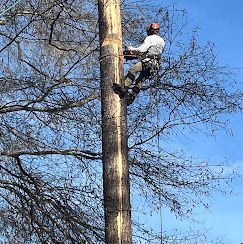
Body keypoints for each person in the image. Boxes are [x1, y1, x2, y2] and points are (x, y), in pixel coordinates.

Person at [113, 22, 165, 105]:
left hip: (148, 62)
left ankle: (124, 88)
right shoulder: (162, 41)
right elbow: (150, 52)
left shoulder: (150, 38)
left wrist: (132, 49)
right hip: (154, 66)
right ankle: (131, 98)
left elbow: (141, 49)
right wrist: (134, 55)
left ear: (150, 31)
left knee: (133, 70)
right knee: (139, 81)